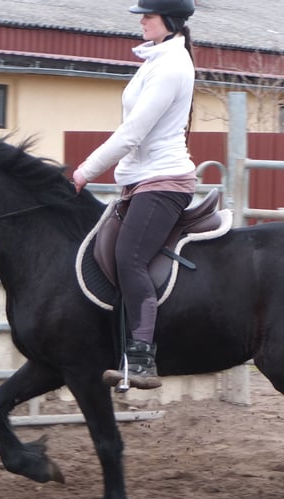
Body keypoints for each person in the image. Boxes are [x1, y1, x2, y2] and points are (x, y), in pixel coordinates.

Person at [72, 0, 197, 389]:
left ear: (170, 20)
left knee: (130, 257)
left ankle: (141, 356)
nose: (141, 20)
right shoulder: (155, 61)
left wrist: (84, 171)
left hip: (164, 180)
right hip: (141, 178)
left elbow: (132, 133)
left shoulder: (172, 65)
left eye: (148, 14)